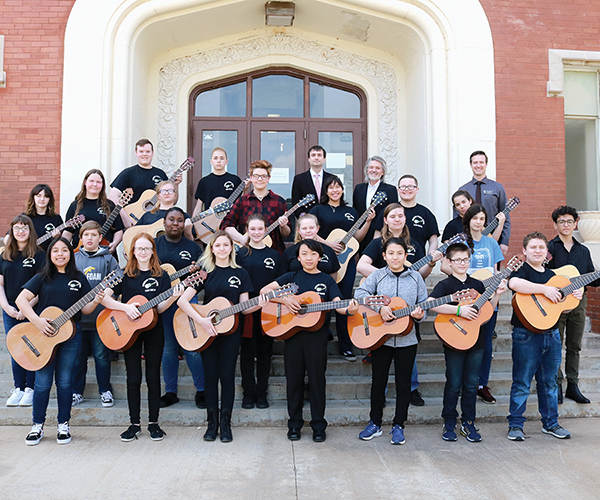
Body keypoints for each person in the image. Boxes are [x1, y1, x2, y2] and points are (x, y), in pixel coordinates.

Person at [261, 239, 358, 443]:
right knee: (294, 382)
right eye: (304, 254)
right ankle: (294, 424)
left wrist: (350, 308)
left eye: (313, 254)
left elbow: (337, 304)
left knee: (317, 381)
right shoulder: (291, 277)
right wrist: (285, 299)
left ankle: (318, 425)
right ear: (298, 257)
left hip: (317, 338)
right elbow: (264, 291)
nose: (308, 258)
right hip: (293, 337)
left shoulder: (327, 280)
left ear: (320, 257)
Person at [16, 237, 102, 445]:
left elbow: (86, 309)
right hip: (44, 336)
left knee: (65, 382)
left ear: (70, 254)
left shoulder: (78, 277)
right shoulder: (43, 277)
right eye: (56, 251)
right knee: (43, 383)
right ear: (50, 254)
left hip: (72, 336)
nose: (60, 254)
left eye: (65, 250)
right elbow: (20, 300)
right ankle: (38, 425)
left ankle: (63, 425)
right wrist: (36, 321)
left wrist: (97, 299)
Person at [177, 231, 260, 443]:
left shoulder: (241, 273)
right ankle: (211, 424)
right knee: (211, 377)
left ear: (231, 248)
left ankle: (226, 424)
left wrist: (261, 302)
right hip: (208, 331)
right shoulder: (205, 272)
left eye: (226, 245)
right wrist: (202, 320)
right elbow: (182, 302)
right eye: (218, 245)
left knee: (228, 377)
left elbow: (243, 308)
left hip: (231, 333)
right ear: (212, 249)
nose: (222, 249)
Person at [101, 233, 182, 442]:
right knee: (133, 377)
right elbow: (103, 298)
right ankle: (134, 424)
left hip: (154, 330)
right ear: (133, 252)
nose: (143, 252)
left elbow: (161, 308)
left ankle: (154, 423)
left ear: (153, 251)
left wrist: (173, 296)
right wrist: (125, 308)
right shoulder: (124, 274)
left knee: (153, 377)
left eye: (147, 248)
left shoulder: (162, 275)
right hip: (128, 332)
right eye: (139, 248)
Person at [364, 202, 442, 404]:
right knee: (382, 350)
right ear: (386, 220)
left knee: (408, 339)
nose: (397, 219)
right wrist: (388, 276)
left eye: (401, 216)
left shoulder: (414, 245)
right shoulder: (377, 243)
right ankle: (380, 392)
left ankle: (411, 388)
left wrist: (431, 263)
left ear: (405, 219)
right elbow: (362, 265)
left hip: (406, 303)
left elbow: (420, 274)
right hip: (381, 308)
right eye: (393, 216)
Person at [506, 231, 580, 441]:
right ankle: (516, 426)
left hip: (552, 334)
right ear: (524, 251)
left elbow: (561, 309)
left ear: (547, 252)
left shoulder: (553, 276)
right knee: (521, 382)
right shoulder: (522, 270)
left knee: (549, 383)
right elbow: (514, 284)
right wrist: (545, 290)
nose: (537, 251)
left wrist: (573, 297)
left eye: (541, 247)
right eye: (533, 247)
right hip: (525, 335)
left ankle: (551, 424)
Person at [429, 242, 506, 443]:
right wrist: (458, 310)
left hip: (476, 341)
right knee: (454, 383)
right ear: (449, 262)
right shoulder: (445, 285)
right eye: (458, 260)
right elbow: (430, 304)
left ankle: (468, 422)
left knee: (472, 384)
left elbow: (486, 312)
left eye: (465, 259)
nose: (462, 263)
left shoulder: (477, 285)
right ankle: (449, 422)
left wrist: (497, 295)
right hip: (454, 340)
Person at [355, 238, 427, 445]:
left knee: (404, 385)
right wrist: (380, 308)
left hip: (407, 339)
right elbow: (360, 294)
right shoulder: (377, 275)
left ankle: (398, 425)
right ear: (384, 256)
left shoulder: (415, 278)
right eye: (391, 253)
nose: (395, 257)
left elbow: (423, 305)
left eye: (399, 253)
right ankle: (375, 423)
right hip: (381, 339)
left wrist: (421, 314)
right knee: (378, 382)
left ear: (406, 255)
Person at [309, 175, 375, 361]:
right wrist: (328, 243)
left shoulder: (351, 211)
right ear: (326, 191)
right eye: (331, 187)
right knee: (322, 299)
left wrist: (368, 222)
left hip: (347, 263)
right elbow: (309, 231)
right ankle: (319, 340)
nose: (335, 190)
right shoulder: (318, 209)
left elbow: (358, 238)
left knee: (345, 302)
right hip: (323, 261)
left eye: (338, 187)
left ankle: (346, 346)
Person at [448, 205, 504, 405]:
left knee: (486, 343)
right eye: (475, 218)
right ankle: (464, 383)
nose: (479, 222)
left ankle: (481, 384)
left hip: (488, 300)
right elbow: (447, 265)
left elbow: (496, 271)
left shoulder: (491, 243)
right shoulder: (460, 241)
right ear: (468, 220)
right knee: (465, 340)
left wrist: (499, 283)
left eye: (482, 218)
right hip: (466, 300)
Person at [547, 206, 599, 404]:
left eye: (569, 221)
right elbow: (545, 276)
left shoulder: (583, 250)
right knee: (555, 345)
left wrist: (582, 284)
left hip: (579, 302)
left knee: (574, 346)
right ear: (555, 224)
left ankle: (573, 386)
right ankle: (556, 384)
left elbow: (591, 276)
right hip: (555, 303)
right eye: (561, 221)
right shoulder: (550, 248)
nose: (566, 225)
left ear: (575, 223)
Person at [154, 207, 205, 409]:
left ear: (184, 224)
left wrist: (194, 276)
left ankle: (201, 390)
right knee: (168, 349)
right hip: (164, 303)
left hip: (187, 303)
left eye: (179, 220)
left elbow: (202, 276)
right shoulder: (155, 245)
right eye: (171, 219)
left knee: (191, 348)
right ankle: (171, 392)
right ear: (164, 222)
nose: (175, 223)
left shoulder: (193, 248)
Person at [72, 221, 119, 408]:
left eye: (93, 235)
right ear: (81, 238)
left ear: (101, 238)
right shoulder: (74, 259)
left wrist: (105, 293)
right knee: (78, 357)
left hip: (101, 319)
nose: (89, 238)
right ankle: (76, 391)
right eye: (86, 235)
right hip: (78, 320)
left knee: (101, 356)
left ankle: (105, 390)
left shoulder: (108, 259)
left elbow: (116, 282)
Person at [236, 214, 281, 409]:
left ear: (266, 230)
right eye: (252, 229)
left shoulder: (275, 255)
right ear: (247, 230)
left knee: (265, 353)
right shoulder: (240, 254)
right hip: (246, 309)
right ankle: (248, 393)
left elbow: (281, 284)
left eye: (260, 229)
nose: (256, 232)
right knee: (246, 353)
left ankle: (261, 393)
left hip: (268, 309)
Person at [0, 215, 45, 407]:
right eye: (17, 228)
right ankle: (18, 388)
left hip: (31, 308)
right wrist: (7, 308)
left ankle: (30, 389)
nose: (21, 231)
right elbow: (0, 284)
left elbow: (42, 286)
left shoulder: (39, 255)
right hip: (9, 308)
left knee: (31, 348)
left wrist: (26, 308)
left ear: (30, 231)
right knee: (15, 349)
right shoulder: (4, 255)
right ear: (11, 231)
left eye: (25, 228)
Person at [108, 139, 182, 228]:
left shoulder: (160, 174)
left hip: (156, 222)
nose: (144, 154)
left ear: (152, 153)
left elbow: (172, 201)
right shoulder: (128, 173)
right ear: (136, 153)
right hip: (132, 221)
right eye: (141, 151)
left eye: (147, 151)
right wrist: (125, 217)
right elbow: (112, 196)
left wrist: (176, 185)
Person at [221, 160, 290, 254]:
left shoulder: (279, 201)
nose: (260, 179)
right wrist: (241, 239)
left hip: (274, 253)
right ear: (251, 178)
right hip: (247, 254)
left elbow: (287, 234)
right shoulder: (242, 201)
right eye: (256, 176)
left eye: (264, 176)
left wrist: (283, 226)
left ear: (269, 178)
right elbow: (226, 224)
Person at [458, 150, 510, 254]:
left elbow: (505, 216)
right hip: (469, 241)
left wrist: (504, 241)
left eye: (481, 162)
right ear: (471, 165)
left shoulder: (497, 188)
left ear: (486, 164)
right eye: (475, 162)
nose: (478, 165)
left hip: (493, 238)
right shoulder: (463, 190)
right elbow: (457, 217)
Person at [373, 174, 439, 255]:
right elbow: (377, 236)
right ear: (398, 190)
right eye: (403, 187)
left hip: (417, 264)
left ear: (417, 189)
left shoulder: (426, 214)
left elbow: (433, 240)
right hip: (389, 262)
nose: (407, 189)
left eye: (411, 186)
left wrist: (428, 261)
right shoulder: (388, 211)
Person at [63, 169, 124, 252]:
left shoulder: (110, 205)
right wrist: (64, 249)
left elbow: (118, 230)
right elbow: (68, 232)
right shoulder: (75, 205)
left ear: (102, 185)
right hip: (80, 253)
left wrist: (114, 244)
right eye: (91, 181)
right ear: (85, 182)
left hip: (105, 251)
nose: (95, 185)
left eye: (98, 182)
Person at [352, 156, 398, 252]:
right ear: (367, 170)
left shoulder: (390, 189)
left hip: (382, 234)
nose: (374, 170)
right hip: (362, 234)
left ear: (383, 172)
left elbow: (393, 213)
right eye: (371, 167)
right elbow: (355, 211)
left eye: (377, 168)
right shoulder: (359, 188)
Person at [193, 147, 243, 215]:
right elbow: (198, 207)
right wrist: (193, 224)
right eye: (215, 158)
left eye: (222, 158)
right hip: (210, 222)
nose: (218, 161)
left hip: (230, 221)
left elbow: (241, 202)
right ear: (211, 162)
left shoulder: (235, 180)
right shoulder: (204, 182)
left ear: (226, 161)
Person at [14, 184, 63, 251]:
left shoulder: (56, 218)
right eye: (39, 196)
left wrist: (57, 238)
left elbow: (62, 242)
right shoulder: (25, 217)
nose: (42, 199)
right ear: (33, 197)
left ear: (49, 199)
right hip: (28, 255)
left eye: (46, 196)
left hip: (48, 255)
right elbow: (8, 237)